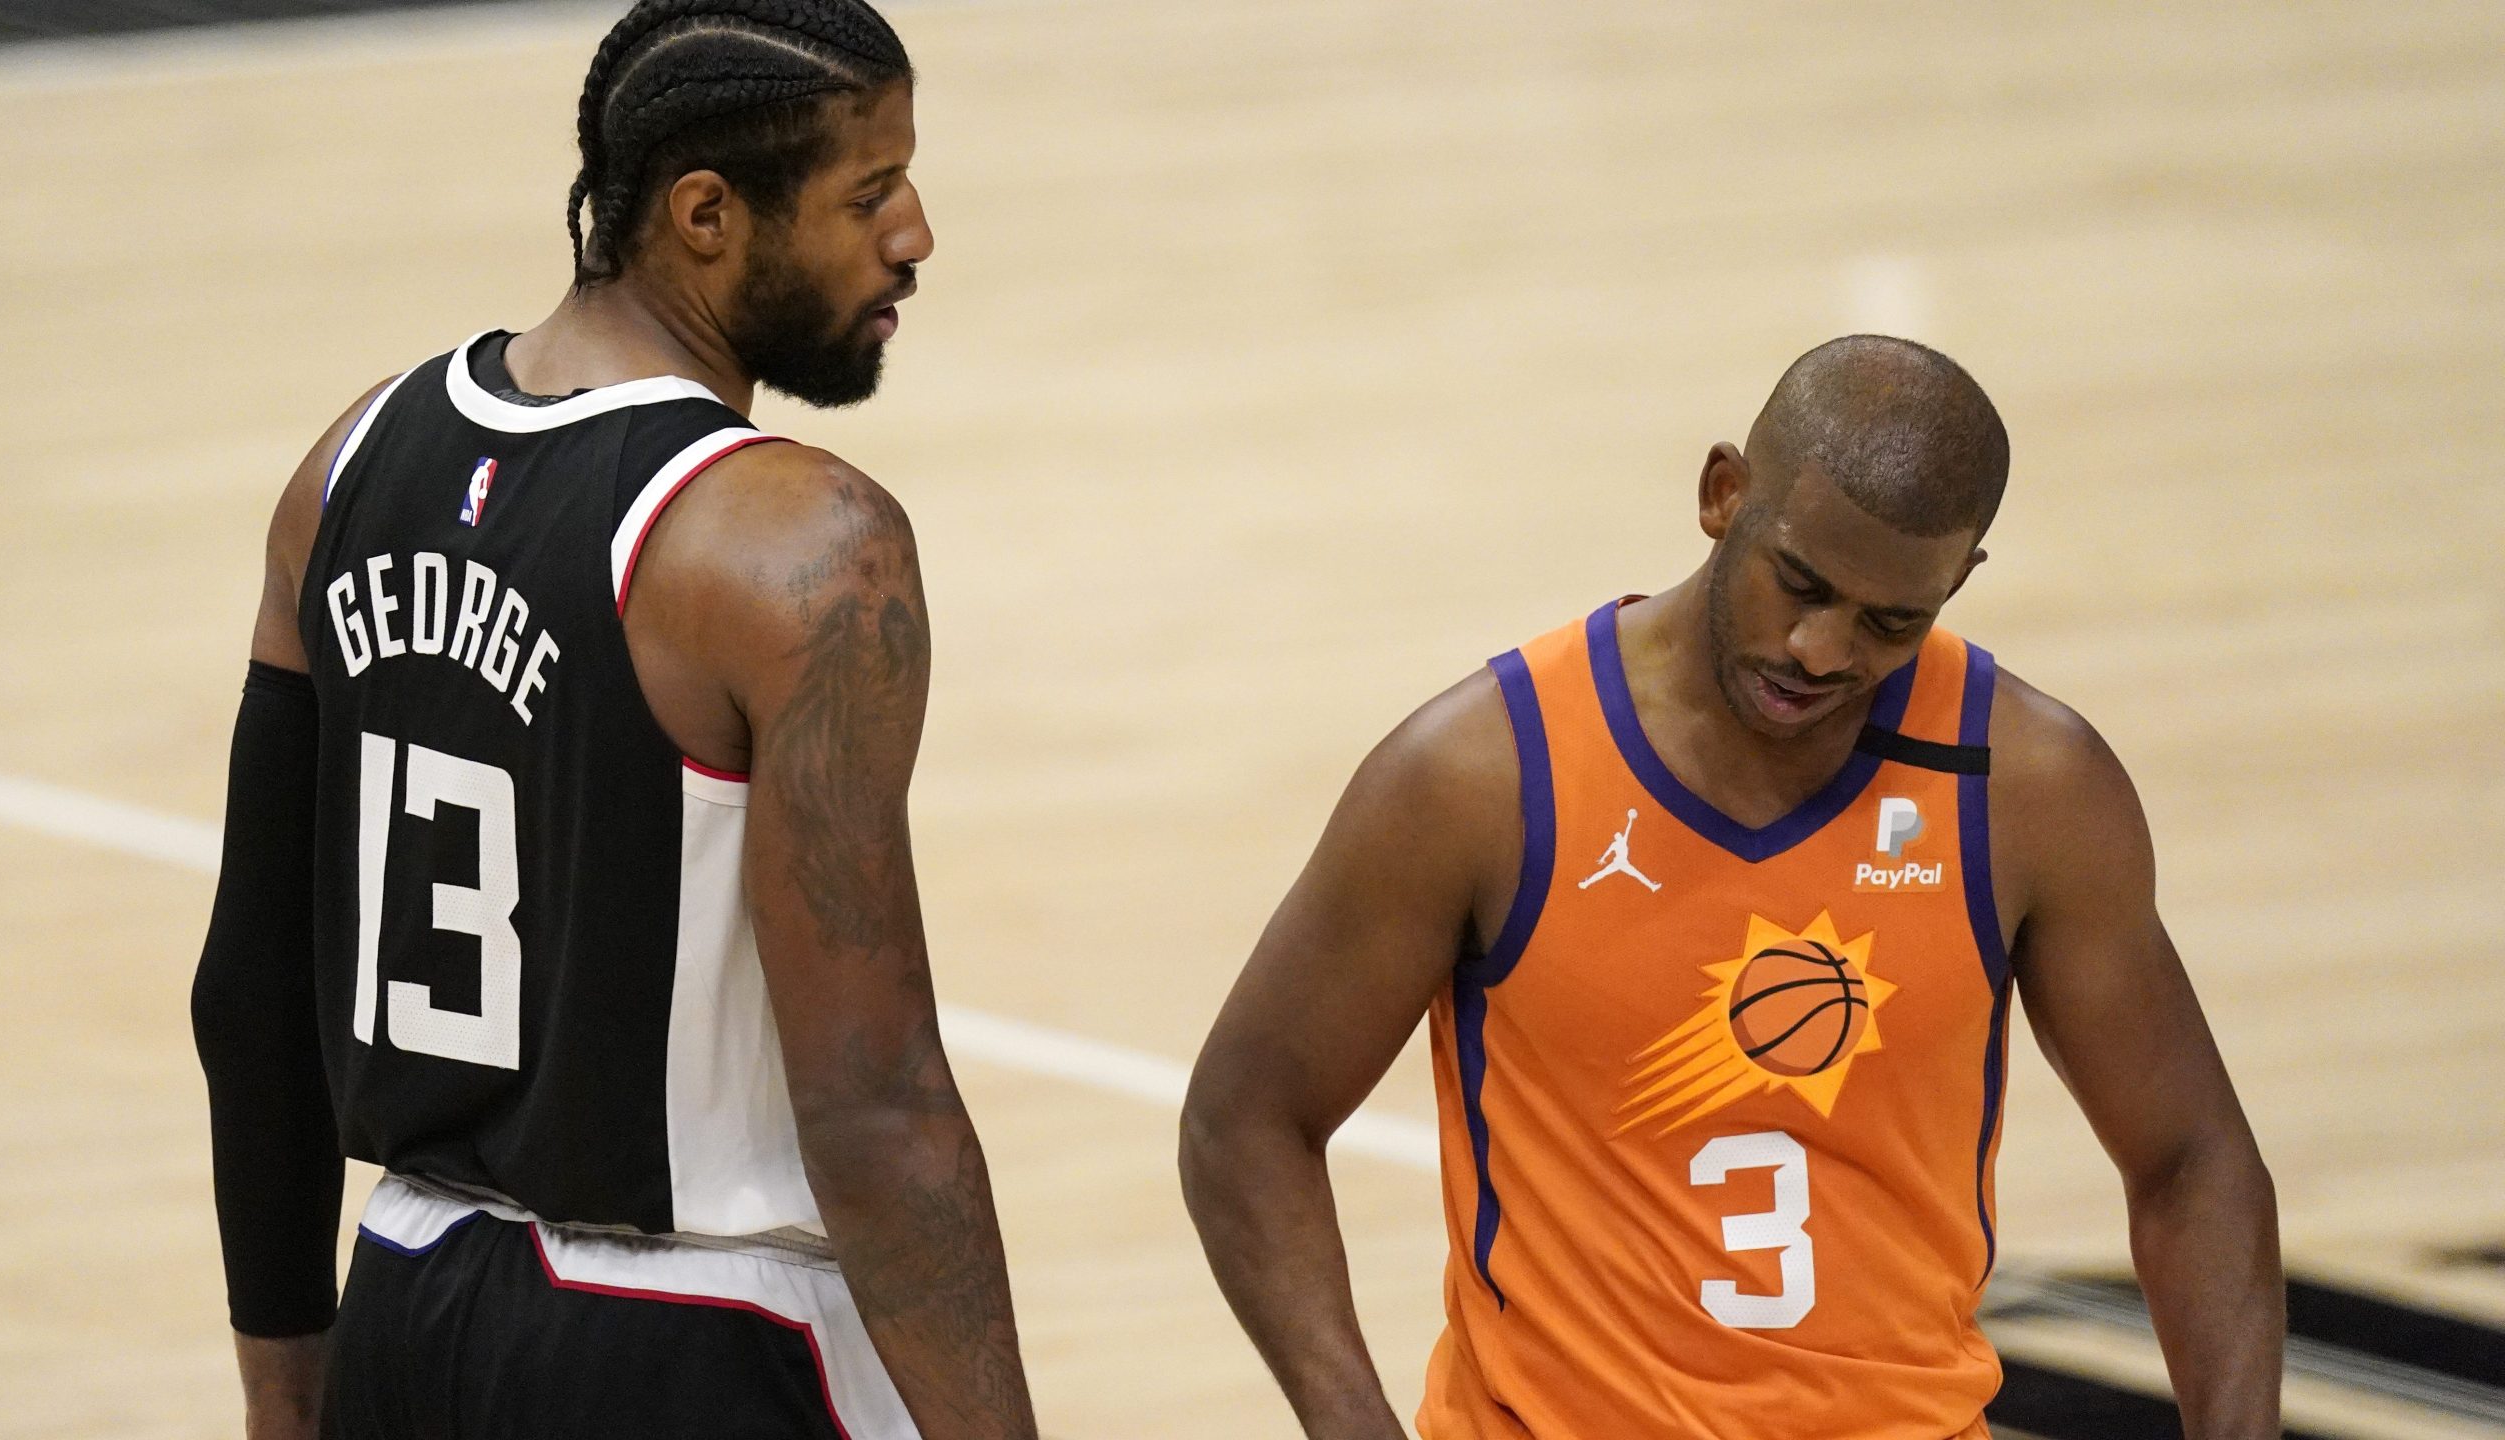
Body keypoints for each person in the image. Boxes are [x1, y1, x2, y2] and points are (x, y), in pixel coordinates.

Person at [188, 3, 1037, 1436]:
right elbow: (876, 1105)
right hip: (698, 1348)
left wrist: (289, 1394)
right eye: (868, 192)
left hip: (405, 1306)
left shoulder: (348, 463)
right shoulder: (801, 545)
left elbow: (251, 997)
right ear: (705, 214)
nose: (915, 234)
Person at [1180, 336, 2283, 1438]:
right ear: (1722, 496)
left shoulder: (2028, 789)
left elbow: (2190, 1160)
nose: (1819, 648)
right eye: (1797, 585)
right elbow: (1249, 1116)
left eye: (1890, 620)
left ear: (1957, 582)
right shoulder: (1483, 778)